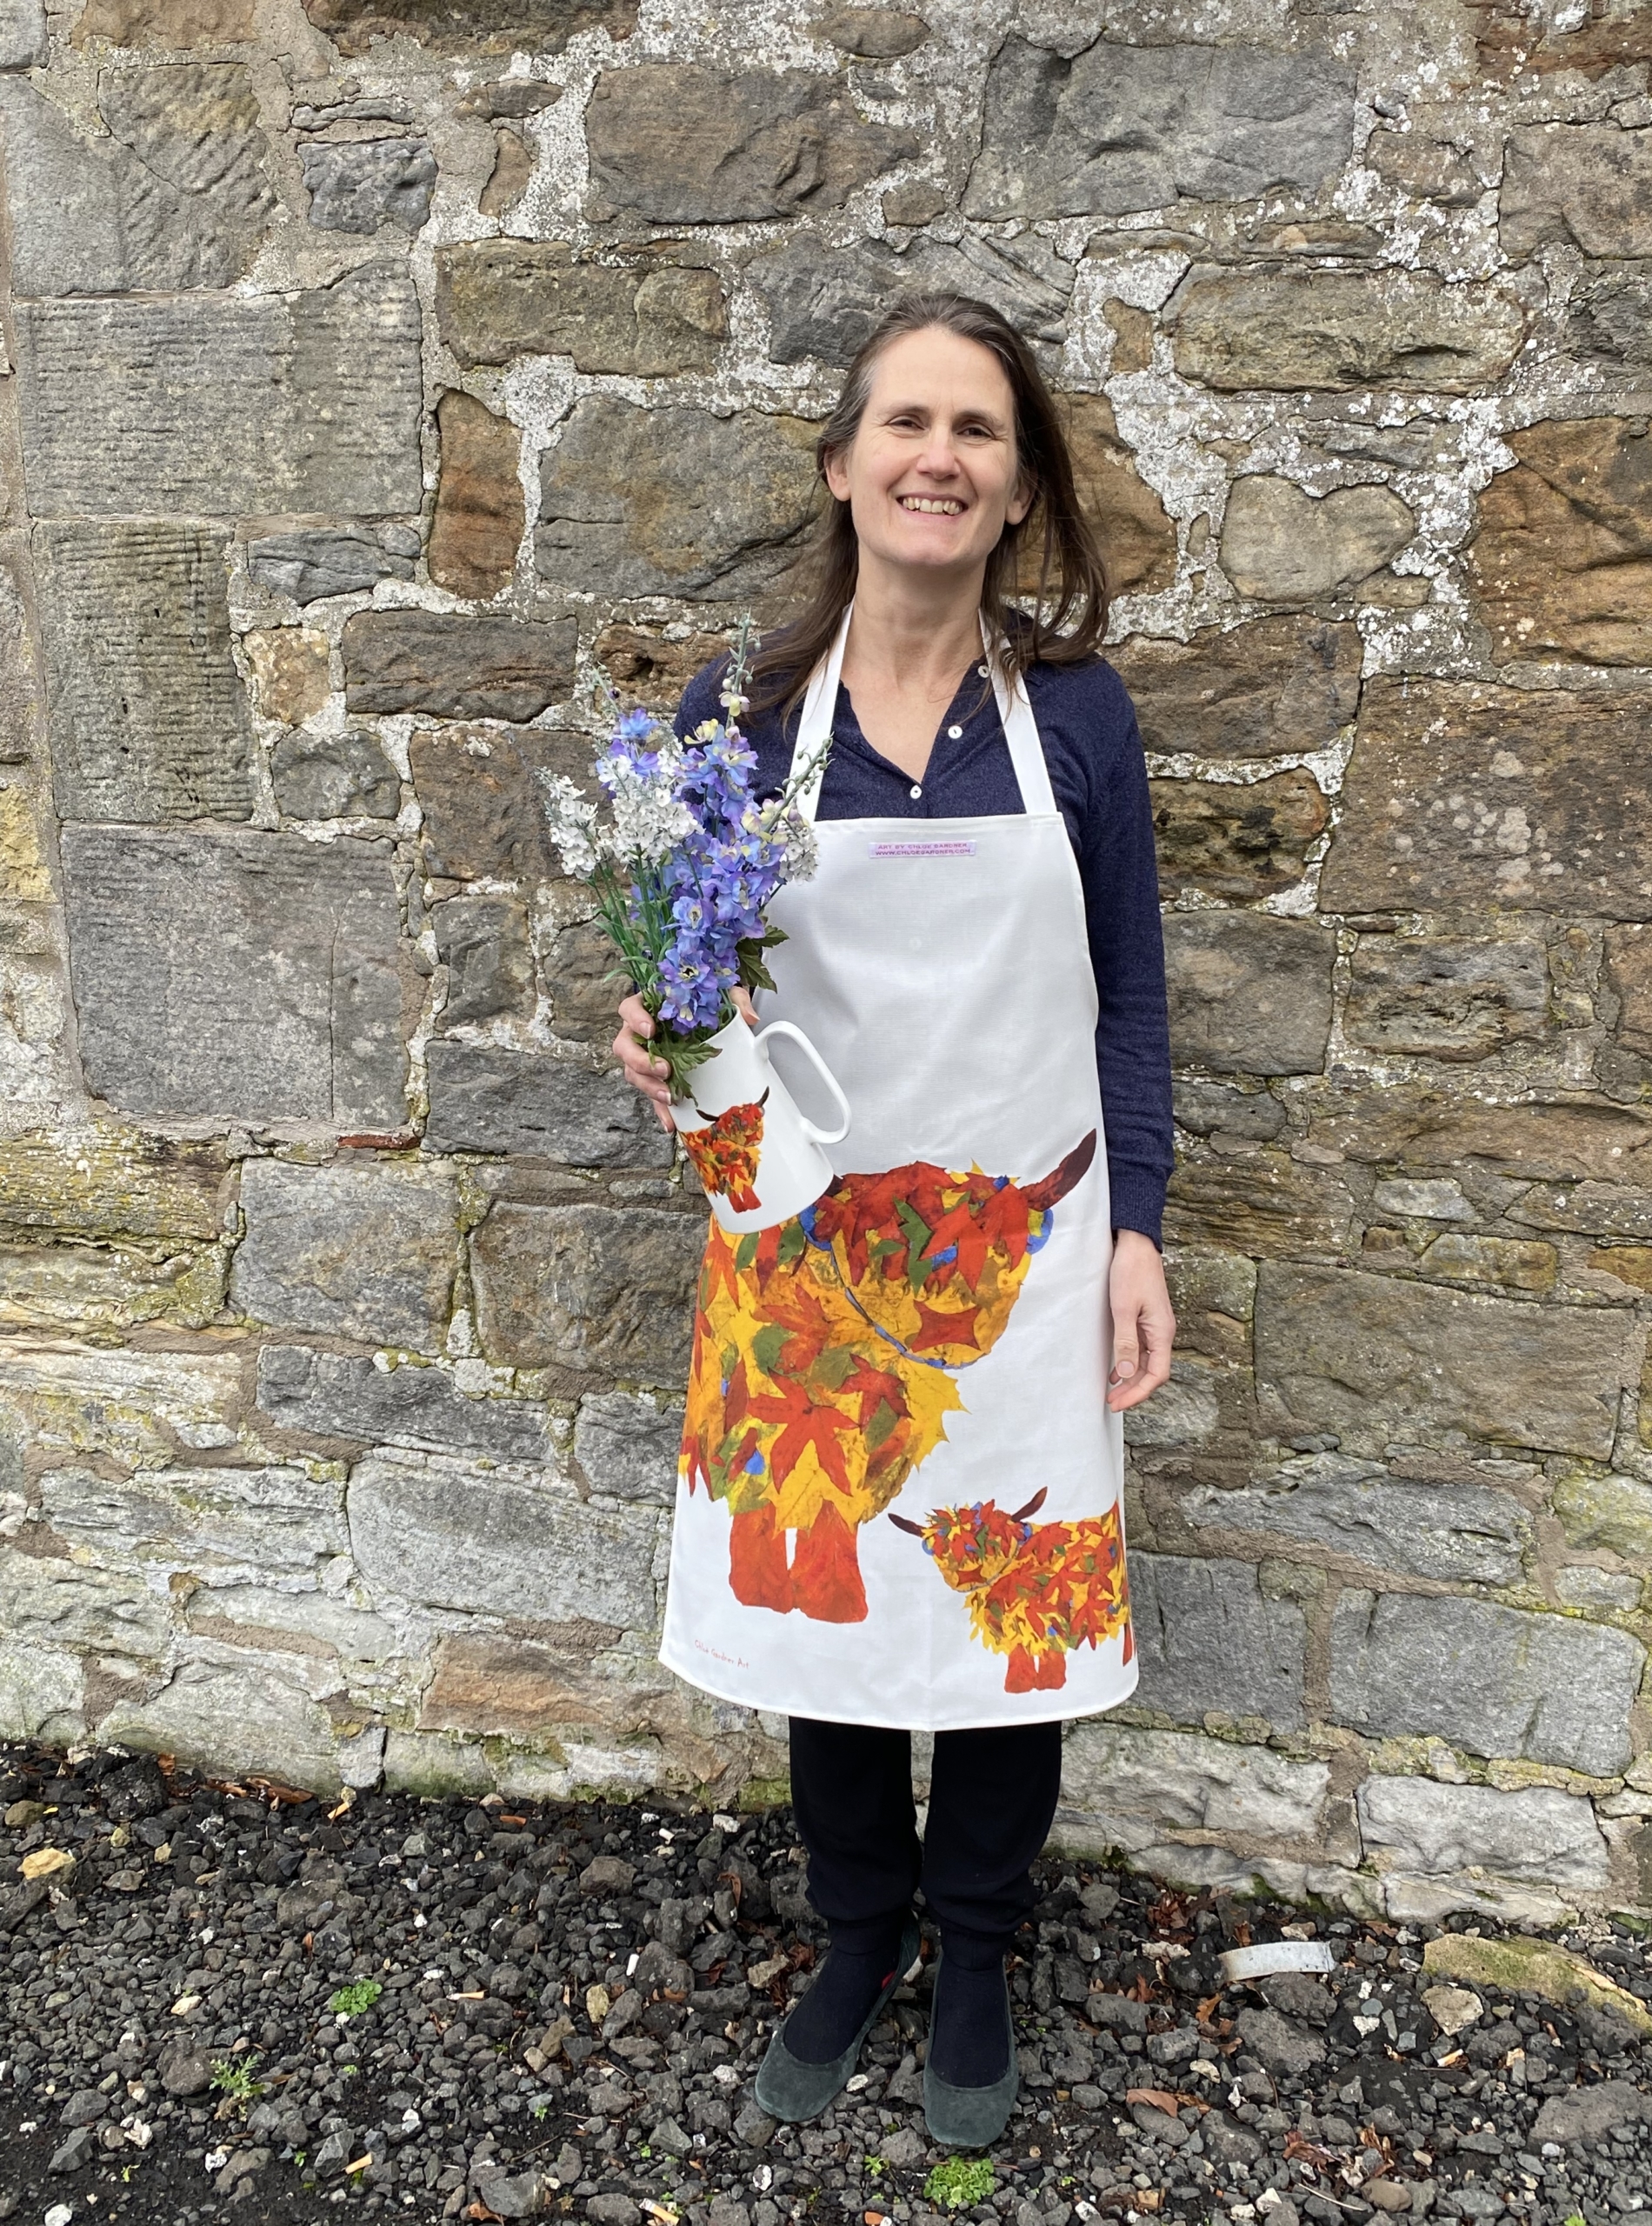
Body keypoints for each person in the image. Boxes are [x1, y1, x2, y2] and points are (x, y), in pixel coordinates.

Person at [613, 291, 1174, 2150]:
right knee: (831, 1599)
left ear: (1018, 487)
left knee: (1009, 1604)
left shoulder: (1075, 718)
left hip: (1021, 1263)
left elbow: (1128, 998)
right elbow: (694, 988)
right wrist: (658, 1030)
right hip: (807, 1269)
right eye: (909, 423)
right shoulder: (740, 722)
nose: (941, 456)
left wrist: (1142, 1231)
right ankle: (858, 1937)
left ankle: (982, 1948)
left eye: (978, 430)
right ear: (843, 465)